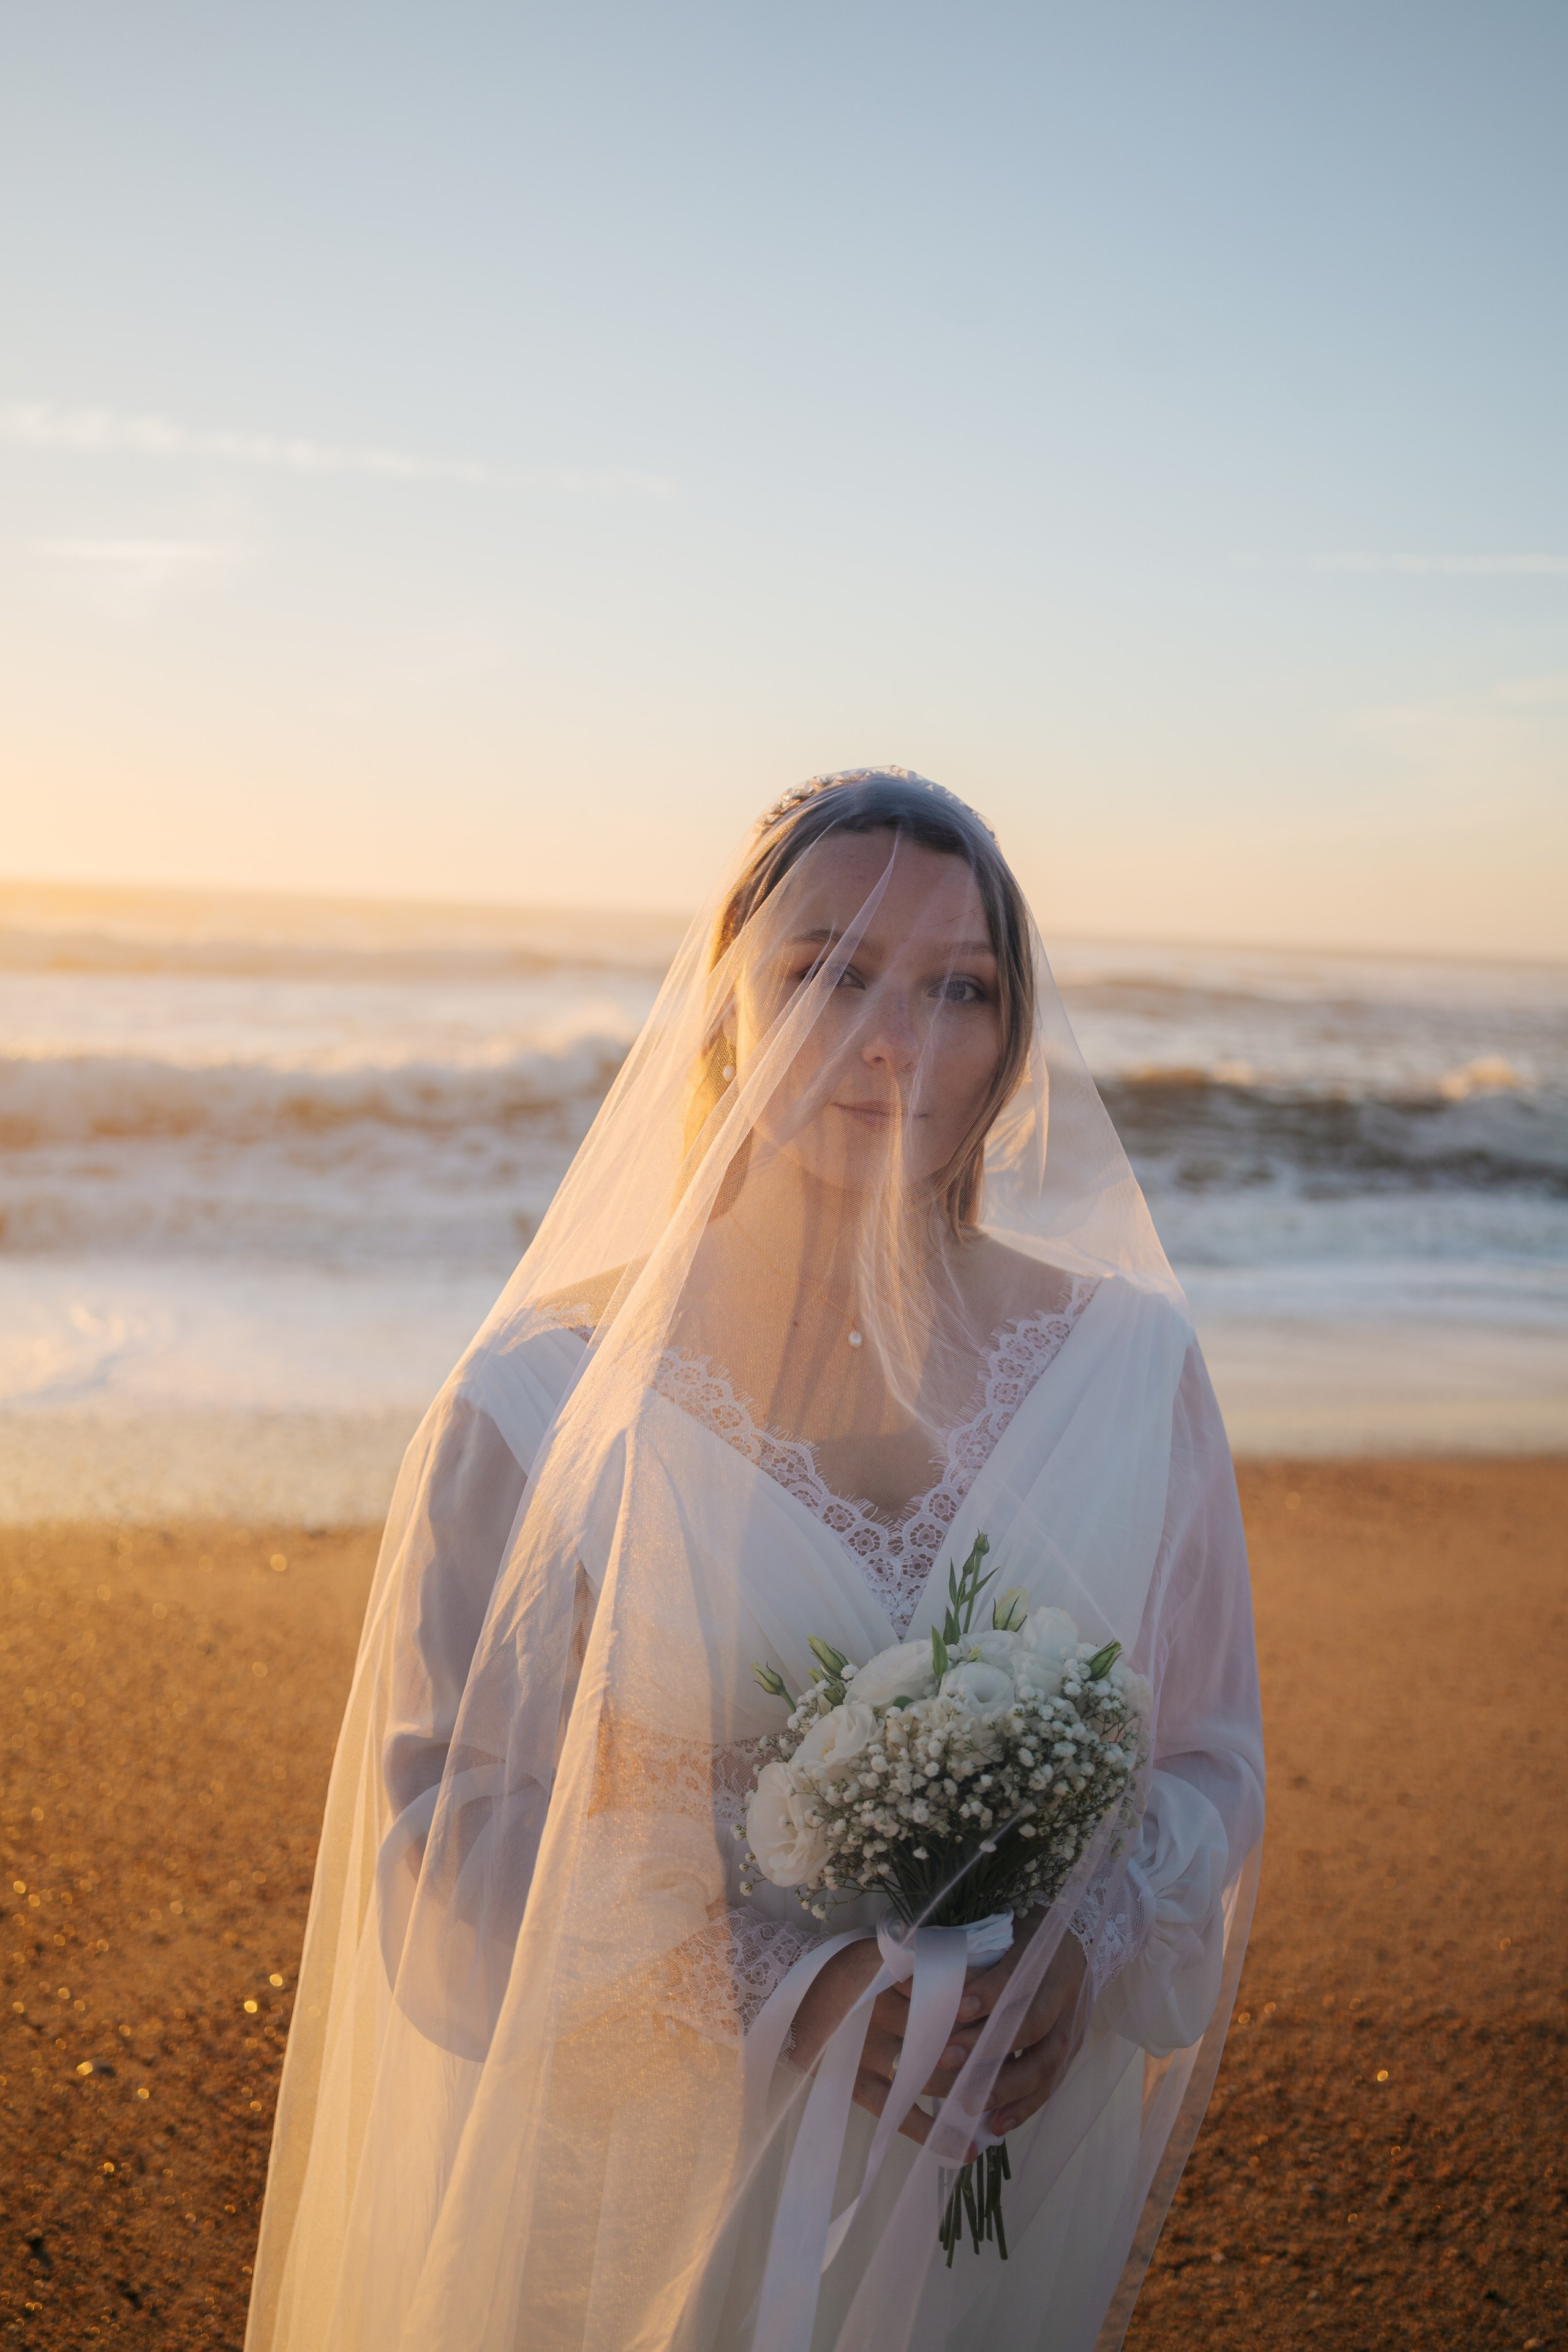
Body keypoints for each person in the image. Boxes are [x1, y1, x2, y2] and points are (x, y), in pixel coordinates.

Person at [246, 769, 1264, 2352]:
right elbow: (443, 1847)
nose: (895, 1039)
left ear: (1011, 1042)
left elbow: (1205, 1760)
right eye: (831, 970)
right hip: (656, 2198)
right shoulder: (542, 1408)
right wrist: (773, 1985)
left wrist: (1090, 1944)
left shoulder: (1128, 1381)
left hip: (999, 2157)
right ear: (724, 995)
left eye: (960, 989)